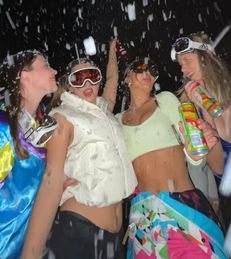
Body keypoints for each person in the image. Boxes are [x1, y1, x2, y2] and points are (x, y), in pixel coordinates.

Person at [22, 40, 137, 259]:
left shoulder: (103, 110)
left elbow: (112, 81)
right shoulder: (63, 116)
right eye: (78, 78)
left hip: (115, 237)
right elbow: (51, 180)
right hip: (80, 232)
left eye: (92, 76)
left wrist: (111, 49)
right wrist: (31, 253)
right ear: (70, 84)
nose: (86, 83)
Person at [116, 58, 228, 259]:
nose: (148, 72)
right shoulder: (116, 121)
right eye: (140, 69)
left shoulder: (165, 100)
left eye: (152, 69)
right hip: (143, 217)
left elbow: (192, 147)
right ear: (127, 78)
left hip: (181, 206)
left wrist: (195, 154)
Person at [171, 32, 231, 228]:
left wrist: (210, 105)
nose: (183, 69)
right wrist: (206, 120)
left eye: (188, 61)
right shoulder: (188, 104)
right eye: (180, 64)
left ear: (207, 56)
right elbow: (217, 168)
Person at [0, 50, 58, 259]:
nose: (54, 70)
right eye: (46, 66)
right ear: (24, 75)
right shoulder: (3, 126)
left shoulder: (40, 125)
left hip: (28, 245)